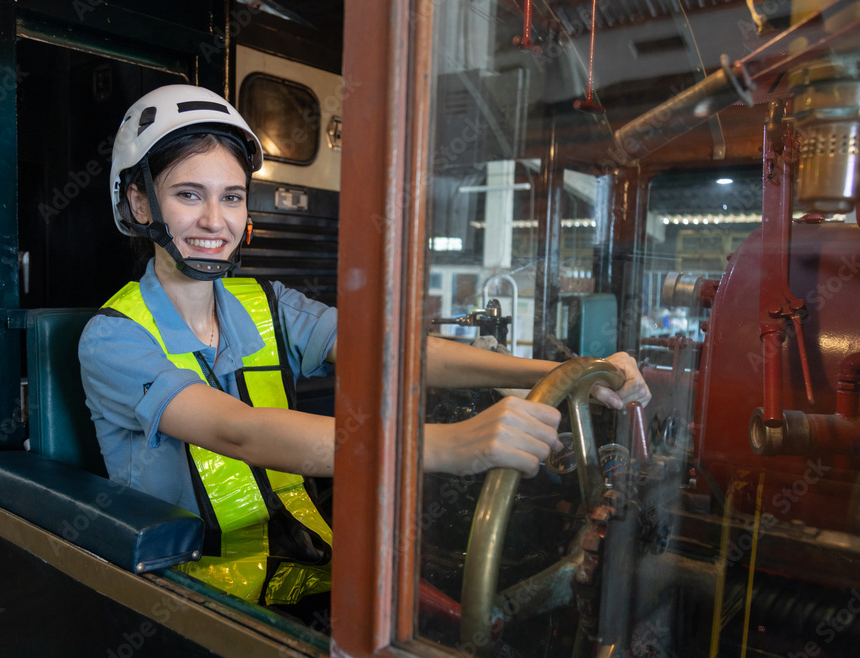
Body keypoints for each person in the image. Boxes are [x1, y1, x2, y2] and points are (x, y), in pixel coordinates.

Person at [79, 84, 650, 609]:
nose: (215, 220)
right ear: (139, 202)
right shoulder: (113, 338)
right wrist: (448, 446)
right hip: (196, 597)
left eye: (231, 197)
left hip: (307, 567)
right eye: (188, 194)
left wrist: (566, 371)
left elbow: (396, 354)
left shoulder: (266, 303)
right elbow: (239, 431)